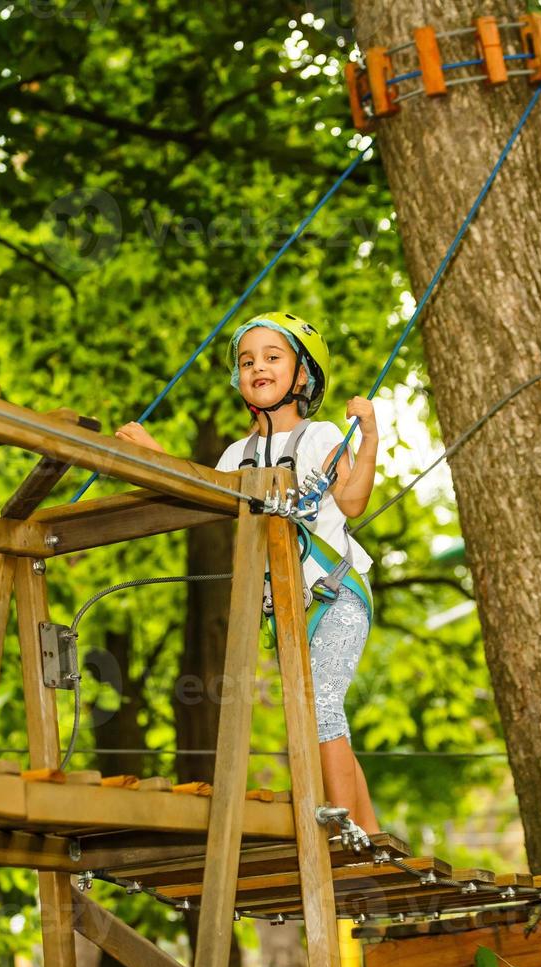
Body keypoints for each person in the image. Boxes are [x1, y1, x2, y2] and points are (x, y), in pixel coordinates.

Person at [116, 311, 381, 836]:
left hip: (336, 594)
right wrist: (153, 458)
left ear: (302, 375)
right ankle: (370, 832)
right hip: (287, 603)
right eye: (247, 360)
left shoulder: (319, 436)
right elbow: (209, 498)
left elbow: (351, 502)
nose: (257, 366)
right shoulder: (237, 455)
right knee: (314, 713)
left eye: (272, 357)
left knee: (320, 705)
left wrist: (368, 435)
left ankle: (343, 827)